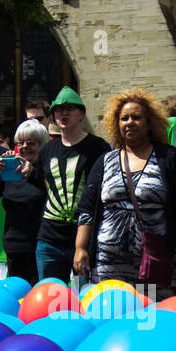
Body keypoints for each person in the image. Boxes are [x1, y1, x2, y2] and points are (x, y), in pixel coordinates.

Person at [75, 88, 176, 288]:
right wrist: (80, 248)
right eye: (124, 118)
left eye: (136, 117)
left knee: (150, 314)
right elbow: (87, 209)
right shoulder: (106, 161)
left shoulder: (168, 157)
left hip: (154, 260)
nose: (129, 122)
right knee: (110, 313)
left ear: (150, 123)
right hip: (108, 262)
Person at [35, 87, 111, 282]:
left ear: (81, 113)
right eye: (58, 109)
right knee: (50, 302)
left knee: (86, 300)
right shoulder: (47, 150)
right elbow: (47, 187)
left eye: (69, 108)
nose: (63, 113)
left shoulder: (98, 147)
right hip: (49, 240)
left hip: (86, 239)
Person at [0, 119, 49, 284]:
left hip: (41, 247)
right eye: (21, 142)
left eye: (31, 143)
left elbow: (53, 195)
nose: (25, 147)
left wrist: (34, 174)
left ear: (42, 145)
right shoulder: (11, 170)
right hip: (14, 246)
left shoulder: (47, 170)